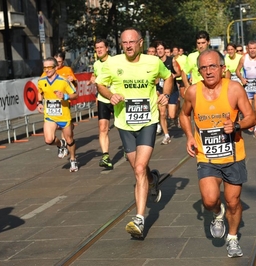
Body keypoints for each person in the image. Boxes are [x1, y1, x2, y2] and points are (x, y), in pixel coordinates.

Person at [96, 27, 173, 238]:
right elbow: (100, 84)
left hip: (148, 120)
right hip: (124, 123)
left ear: (140, 42)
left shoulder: (153, 62)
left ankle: (139, 219)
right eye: (124, 43)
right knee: (138, 169)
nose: (128, 46)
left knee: (139, 167)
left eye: (132, 42)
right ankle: (153, 178)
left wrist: (165, 94)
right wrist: (110, 95)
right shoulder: (113, 63)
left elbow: (169, 77)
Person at [179, 49, 256, 258]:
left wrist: (237, 125)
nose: (208, 71)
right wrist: (189, 136)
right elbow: (183, 116)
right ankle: (217, 213)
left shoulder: (234, 89)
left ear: (222, 68)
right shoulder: (193, 92)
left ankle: (232, 238)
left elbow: (251, 117)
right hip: (207, 156)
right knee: (210, 200)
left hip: (233, 156)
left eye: (213, 66)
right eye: (203, 67)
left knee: (233, 201)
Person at [37, 57, 79, 172]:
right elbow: (40, 92)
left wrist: (65, 96)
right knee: (48, 140)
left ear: (55, 68)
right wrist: (39, 103)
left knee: (70, 140)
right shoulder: (41, 81)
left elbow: (75, 94)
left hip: (63, 115)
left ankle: (73, 159)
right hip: (50, 115)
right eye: (45, 67)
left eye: (49, 67)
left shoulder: (64, 81)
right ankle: (61, 144)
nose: (47, 70)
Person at [89, 39, 114, 169]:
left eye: (101, 47)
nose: (99, 50)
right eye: (96, 48)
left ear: (107, 48)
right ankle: (105, 155)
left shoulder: (114, 62)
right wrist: (93, 80)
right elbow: (95, 77)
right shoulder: (96, 64)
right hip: (103, 99)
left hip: (116, 98)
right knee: (103, 128)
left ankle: (128, 149)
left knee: (123, 127)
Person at [155, 41, 182, 145]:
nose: (160, 51)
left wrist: (172, 76)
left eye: (161, 49)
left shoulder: (172, 60)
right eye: (158, 49)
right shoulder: (155, 62)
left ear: (165, 50)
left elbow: (179, 72)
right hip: (160, 90)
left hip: (172, 90)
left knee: (171, 115)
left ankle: (177, 112)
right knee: (162, 113)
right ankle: (166, 135)